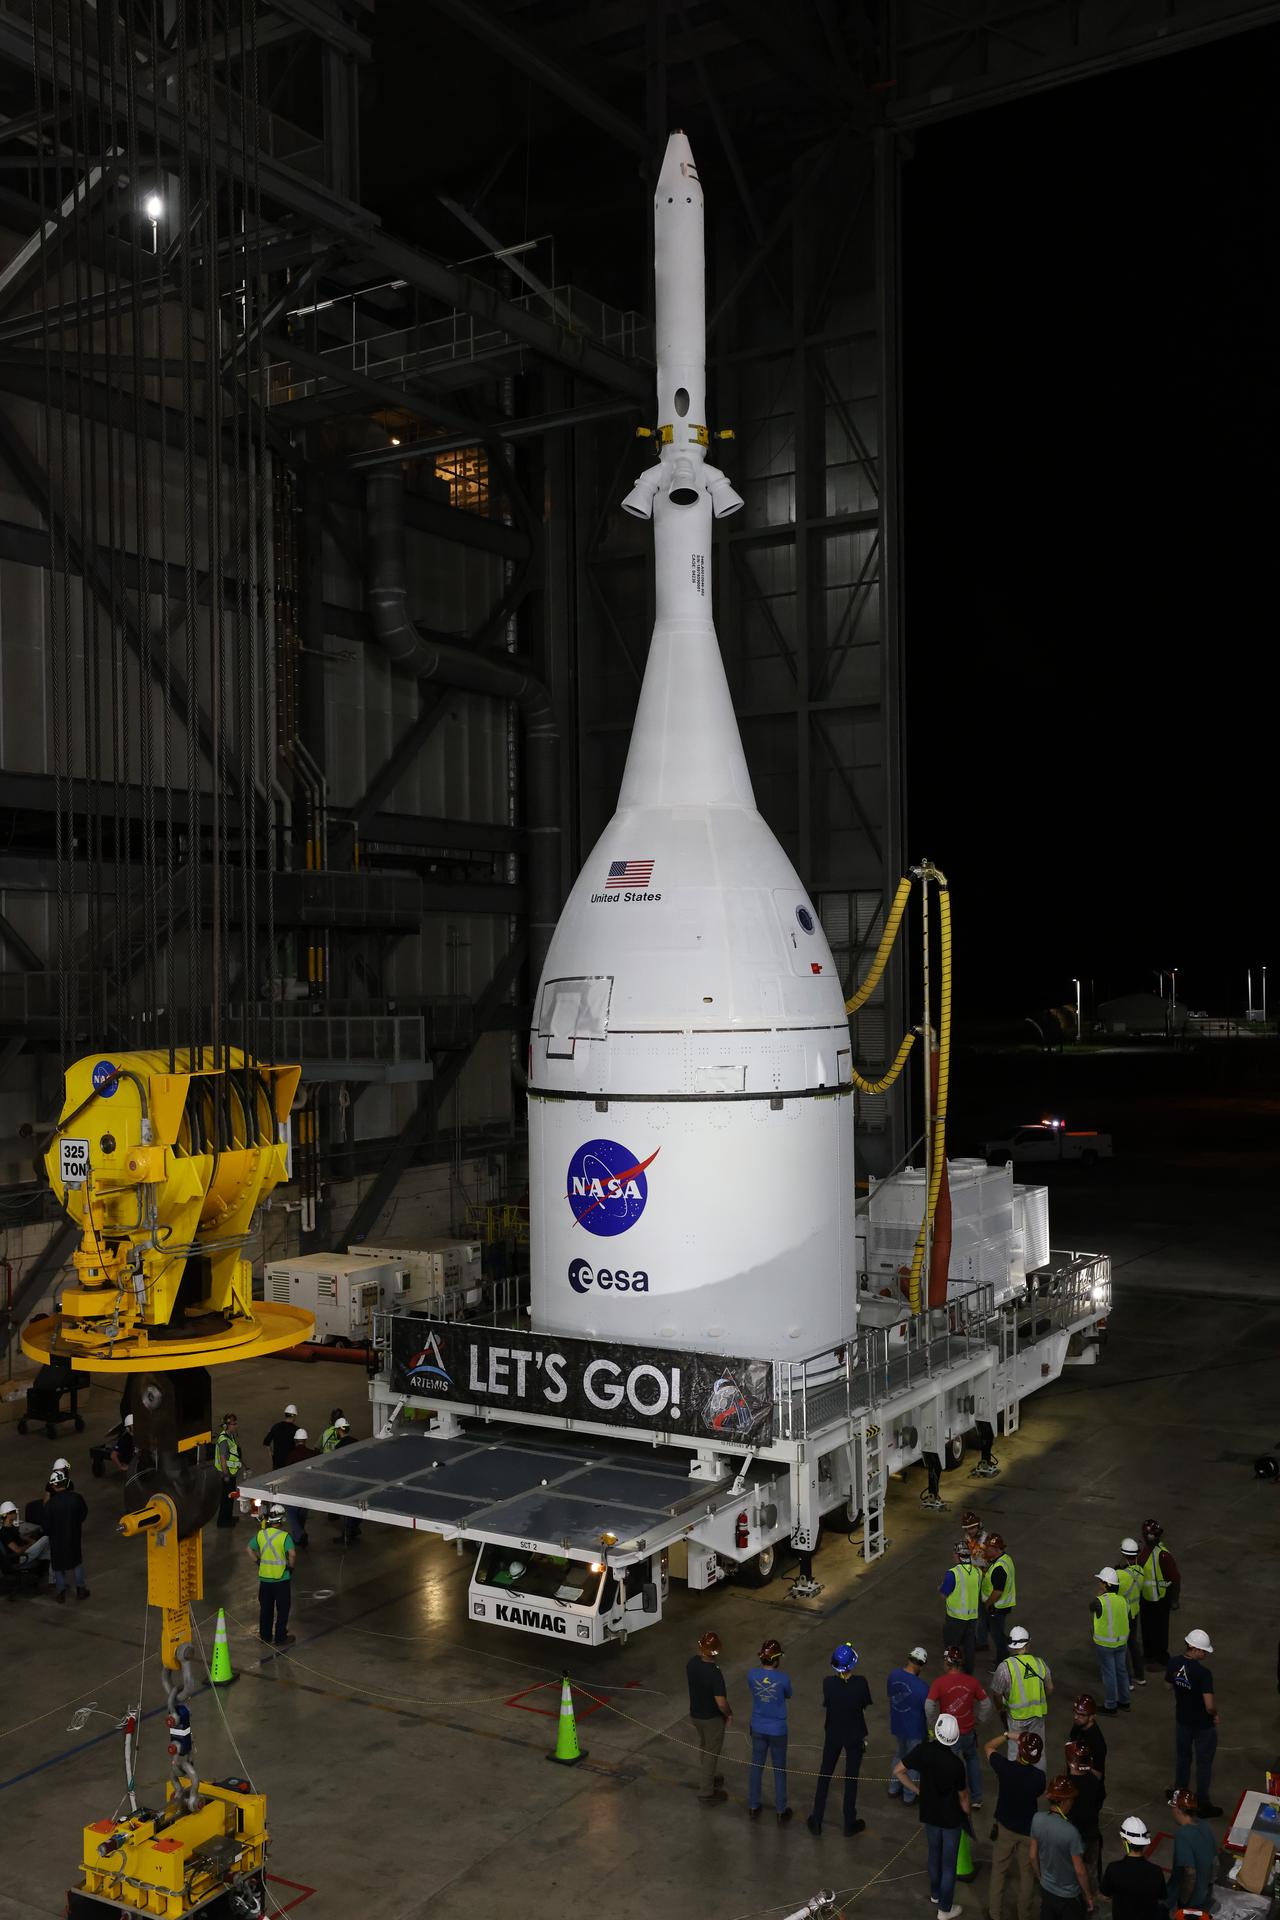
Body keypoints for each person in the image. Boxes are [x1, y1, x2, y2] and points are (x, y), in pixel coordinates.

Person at [893, 1711, 969, 1920]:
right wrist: (967, 1811)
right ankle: (945, 1909)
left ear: (936, 1731)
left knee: (934, 1853)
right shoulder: (956, 1765)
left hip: (929, 1813)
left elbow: (898, 1771)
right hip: (951, 1818)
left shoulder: (923, 1750)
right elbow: (963, 1796)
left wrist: (918, 1792)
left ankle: (936, 1894)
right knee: (948, 1864)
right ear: (954, 1738)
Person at [808, 1643, 872, 1837]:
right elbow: (864, 1704)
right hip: (854, 1734)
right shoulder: (860, 1683)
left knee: (825, 1775)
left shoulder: (828, 1683)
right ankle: (849, 1822)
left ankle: (817, 1819)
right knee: (851, 1779)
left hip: (833, 1734)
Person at [985, 1727, 1045, 1920]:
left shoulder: (1005, 1768)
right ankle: (1023, 1915)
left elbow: (988, 1747)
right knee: (1027, 1875)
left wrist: (1007, 1736)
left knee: (999, 1871)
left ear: (1019, 1750)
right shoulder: (1039, 1779)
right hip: (1028, 1830)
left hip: (1005, 1827)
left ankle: (995, 1914)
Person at [927, 1644, 991, 1809]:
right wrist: (978, 1719)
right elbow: (986, 1703)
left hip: (949, 1736)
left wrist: (935, 1725)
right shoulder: (972, 1682)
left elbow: (928, 1706)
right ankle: (976, 1798)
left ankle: (953, 1797)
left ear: (947, 1663)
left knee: (951, 1766)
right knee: (972, 1760)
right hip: (968, 1731)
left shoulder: (939, 1683)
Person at [1166, 1629, 1221, 1818]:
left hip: (1182, 1720)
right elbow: (1209, 1705)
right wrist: (1215, 1715)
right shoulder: (1203, 1673)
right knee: (1204, 1763)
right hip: (1202, 1725)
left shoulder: (1173, 1663)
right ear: (1193, 1647)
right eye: (1203, 1651)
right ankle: (1203, 1803)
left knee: (1183, 1758)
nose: (1205, 1654)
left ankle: (1179, 1793)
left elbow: (1168, 1684)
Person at [1029, 1774, 1094, 1920]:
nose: (1072, 1803)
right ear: (1064, 1801)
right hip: (1068, 1896)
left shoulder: (1037, 1819)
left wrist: (1041, 1877)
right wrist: (1088, 1895)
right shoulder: (1071, 1832)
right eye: (1071, 1799)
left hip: (1047, 1889)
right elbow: (1080, 1871)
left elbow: (1032, 1855)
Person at [746, 1638, 793, 1823]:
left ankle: (753, 1805)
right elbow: (788, 1694)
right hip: (778, 1729)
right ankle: (781, 1810)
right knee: (779, 1769)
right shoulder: (783, 1679)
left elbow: (753, 1690)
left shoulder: (751, 1675)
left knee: (756, 1766)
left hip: (758, 1726)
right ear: (776, 1659)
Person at [993, 1627, 1053, 1761]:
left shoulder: (1004, 1667)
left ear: (1011, 1647)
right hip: (1037, 1714)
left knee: (1016, 1750)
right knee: (1037, 1748)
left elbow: (997, 1693)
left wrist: (1000, 1709)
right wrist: (1040, 1699)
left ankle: (1015, 1778)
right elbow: (1050, 1688)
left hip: (1016, 1718)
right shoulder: (1040, 1663)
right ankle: (1038, 1778)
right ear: (1028, 1643)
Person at [687, 1629, 731, 1805]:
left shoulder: (691, 1664)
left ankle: (711, 1775)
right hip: (711, 1719)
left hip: (695, 1715)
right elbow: (721, 1703)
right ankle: (706, 1791)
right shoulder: (715, 1673)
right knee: (711, 1752)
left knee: (705, 1747)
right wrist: (729, 1713)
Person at [248, 1503, 297, 1647]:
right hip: (281, 1578)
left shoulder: (261, 1534)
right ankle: (280, 1637)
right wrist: (291, 1567)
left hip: (265, 1579)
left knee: (266, 1609)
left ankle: (265, 1636)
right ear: (282, 1520)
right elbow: (292, 1555)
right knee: (283, 1609)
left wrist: (258, 1561)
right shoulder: (284, 1537)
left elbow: (249, 1549)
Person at [1099, 1815, 1165, 1920]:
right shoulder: (1156, 1871)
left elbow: (1104, 1895)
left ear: (1124, 1841)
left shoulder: (1114, 1869)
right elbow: (1161, 1897)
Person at [887, 1646, 930, 1806]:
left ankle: (893, 1787)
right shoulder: (923, 1688)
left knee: (899, 1755)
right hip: (915, 1730)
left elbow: (891, 1695)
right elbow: (928, 1712)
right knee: (912, 1763)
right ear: (921, 1664)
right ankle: (909, 1795)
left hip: (898, 1725)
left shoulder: (893, 1675)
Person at [1137, 1519, 1179, 1671]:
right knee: (1147, 1627)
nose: (1150, 1538)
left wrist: (1174, 1600)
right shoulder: (1145, 1551)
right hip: (1146, 1597)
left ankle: (1162, 1660)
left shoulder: (1163, 1556)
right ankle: (1149, 1655)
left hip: (1161, 1598)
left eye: (1152, 1535)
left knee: (1160, 1630)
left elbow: (1175, 1579)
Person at [1065, 1743, 1106, 1889]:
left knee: (1074, 1873)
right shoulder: (1093, 1781)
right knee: (1090, 1871)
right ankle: (1092, 1896)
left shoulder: (1069, 1787)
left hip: (1075, 1837)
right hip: (1092, 1833)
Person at [44, 1468, 89, 1601]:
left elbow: (46, 1526)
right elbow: (83, 1514)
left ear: (54, 1485)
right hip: (73, 1537)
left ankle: (61, 1593)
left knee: (58, 1566)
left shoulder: (50, 1505)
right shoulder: (76, 1498)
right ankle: (81, 1590)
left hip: (57, 1541)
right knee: (76, 1562)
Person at [1167, 1789, 1216, 1911]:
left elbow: (1190, 1874)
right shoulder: (1205, 1825)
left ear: (1177, 1810)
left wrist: (1183, 1902)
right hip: (1203, 1894)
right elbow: (1215, 1860)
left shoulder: (1182, 1835)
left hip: (1191, 1900)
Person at [1091, 1569, 1131, 1715]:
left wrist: (1099, 1595)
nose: (1099, 1584)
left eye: (1101, 1581)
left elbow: (1091, 1607)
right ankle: (1125, 1701)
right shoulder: (1123, 1600)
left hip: (1105, 1645)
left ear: (1106, 1584)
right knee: (1121, 1671)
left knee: (1109, 1674)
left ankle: (1111, 1705)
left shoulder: (1100, 1601)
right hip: (1121, 1643)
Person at [941, 1539, 982, 1674]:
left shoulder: (952, 1573)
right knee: (969, 1647)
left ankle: (951, 1673)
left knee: (952, 1647)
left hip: (955, 1618)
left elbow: (944, 1594)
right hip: (972, 1618)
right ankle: (968, 1673)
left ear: (958, 1555)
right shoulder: (977, 1572)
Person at [982, 1533, 1018, 1664]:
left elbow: (997, 1591)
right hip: (1002, 1605)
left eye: (988, 1548)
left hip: (996, 1607)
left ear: (997, 1549)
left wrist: (987, 1604)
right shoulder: (1006, 1559)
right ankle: (1006, 1642)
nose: (986, 1549)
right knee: (997, 1631)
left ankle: (1002, 1660)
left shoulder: (999, 1568)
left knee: (996, 1635)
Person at [0, 1499, 50, 1589]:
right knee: (46, 1538)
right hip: (20, 1557)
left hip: (25, 1552)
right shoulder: (4, 1533)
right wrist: (32, 1544)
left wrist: (31, 1541)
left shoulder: (12, 1528)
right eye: (14, 1512)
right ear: (8, 1514)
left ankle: (53, 1581)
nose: (16, 1513)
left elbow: (21, 1537)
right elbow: (18, 1550)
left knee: (51, 1554)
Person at [1117, 1541, 1145, 1688]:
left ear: (1123, 1554)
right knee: (1133, 1644)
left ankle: (1127, 1681)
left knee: (1122, 1647)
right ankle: (1140, 1676)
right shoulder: (1140, 1571)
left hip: (1123, 1615)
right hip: (1135, 1613)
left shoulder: (1120, 1575)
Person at [283, 1426, 316, 1549]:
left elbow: (286, 1474)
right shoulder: (312, 1454)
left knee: (291, 1511)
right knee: (302, 1512)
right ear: (305, 1440)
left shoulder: (291, 1455)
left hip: (294, 1489)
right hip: (308, 1490)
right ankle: (298, 1537)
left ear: (296, 1441)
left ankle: (300, 1535)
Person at [1070, 1696, 1107, 1782]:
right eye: (1075, 1713)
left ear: (1091, 1717)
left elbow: (1098, 1775)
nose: (1076, 1717)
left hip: (1090, 1790)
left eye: (1081, 1715)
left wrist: (1079, 1766)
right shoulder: (1077, 1727)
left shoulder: (1097, 1742)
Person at [214, 1414, 241, 1527]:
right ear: (226, 1426)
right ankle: (223, 1522)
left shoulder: (230, 1437)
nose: (236, 1426)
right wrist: (226, 1475)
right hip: (226, 1474)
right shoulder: (224, 1440)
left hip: (231, 1473)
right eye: (233, 1424)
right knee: (226, 1498)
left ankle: (228, 1518)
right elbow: (223, 1458)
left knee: (230, 1497)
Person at [263, 1404, 301, 1470]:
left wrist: (271, 1454)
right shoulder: (296, 1430)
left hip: (277, 1463)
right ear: (294, 1416)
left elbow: (266, 1442)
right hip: (290, 1464)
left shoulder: (276, 1426)